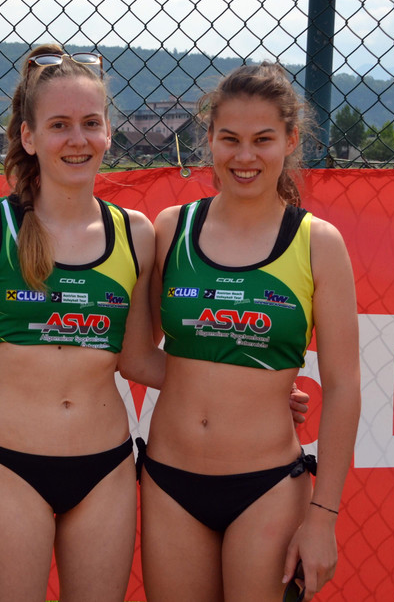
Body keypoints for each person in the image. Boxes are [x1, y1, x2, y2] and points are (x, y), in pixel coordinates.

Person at [119, 62, 361, 601]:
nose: (244, 156)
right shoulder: (172, 228)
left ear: (290, 141)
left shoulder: (318, 243)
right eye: (229, 138)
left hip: (267, 487)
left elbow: (344, 387)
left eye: (262, 139)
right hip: (169, 481)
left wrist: (323, 518)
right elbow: (135, 357)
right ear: (209, 139)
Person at [0, 43, 157, 602]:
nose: (77, 139)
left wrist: (258, 389)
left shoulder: (136, 233)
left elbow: (138, 359)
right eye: (59, 125)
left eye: (91, 123)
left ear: (108, 133)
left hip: (105, 471)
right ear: (29, 137)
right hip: (12, 469)